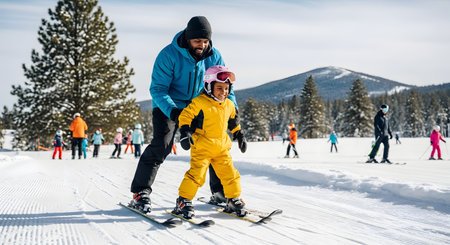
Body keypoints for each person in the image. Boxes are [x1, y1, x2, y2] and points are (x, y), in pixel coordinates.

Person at [129, 16, 238, 213]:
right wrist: (173, 111)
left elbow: (225, 84)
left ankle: (220, 192)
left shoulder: (214, 55)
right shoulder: (168, 55)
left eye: (205, 42)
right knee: (161, 145)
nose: (202, 46)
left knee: (214, 144)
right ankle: (140, 192)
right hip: (168, 106)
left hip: (200, 105)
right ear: (188, 37)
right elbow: (158, 89)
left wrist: (232, 112)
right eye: (198, 41)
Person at [172, 65, 247, 219]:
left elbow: (233, 121)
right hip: (202, 147)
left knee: (230, 175)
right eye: (219, 88)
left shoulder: (229, 104)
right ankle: (183, 201)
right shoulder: (199, 102)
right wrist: (185, 132)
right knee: (196, 176)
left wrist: (239, 135)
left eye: (226, 88)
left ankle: (232, 199)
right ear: (208, 85)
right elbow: (185, 116)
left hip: (222, 148)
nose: (224, 92)